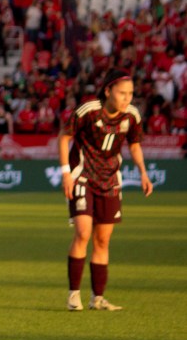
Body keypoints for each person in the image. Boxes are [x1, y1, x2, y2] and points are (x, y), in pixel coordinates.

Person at [59, 69, 152, 311]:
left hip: (110, 180)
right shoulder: (88, 110)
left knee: (103, 239)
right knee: (83, 233)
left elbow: (135, 144)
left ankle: (97, 298)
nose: (127, 98)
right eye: (122, 93)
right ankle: (73, 295)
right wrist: (66, 173)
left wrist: (143, 172)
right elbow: (63, 137)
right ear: (108, 91)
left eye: (130, 93)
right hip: (82, 177)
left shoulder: (132, 116)